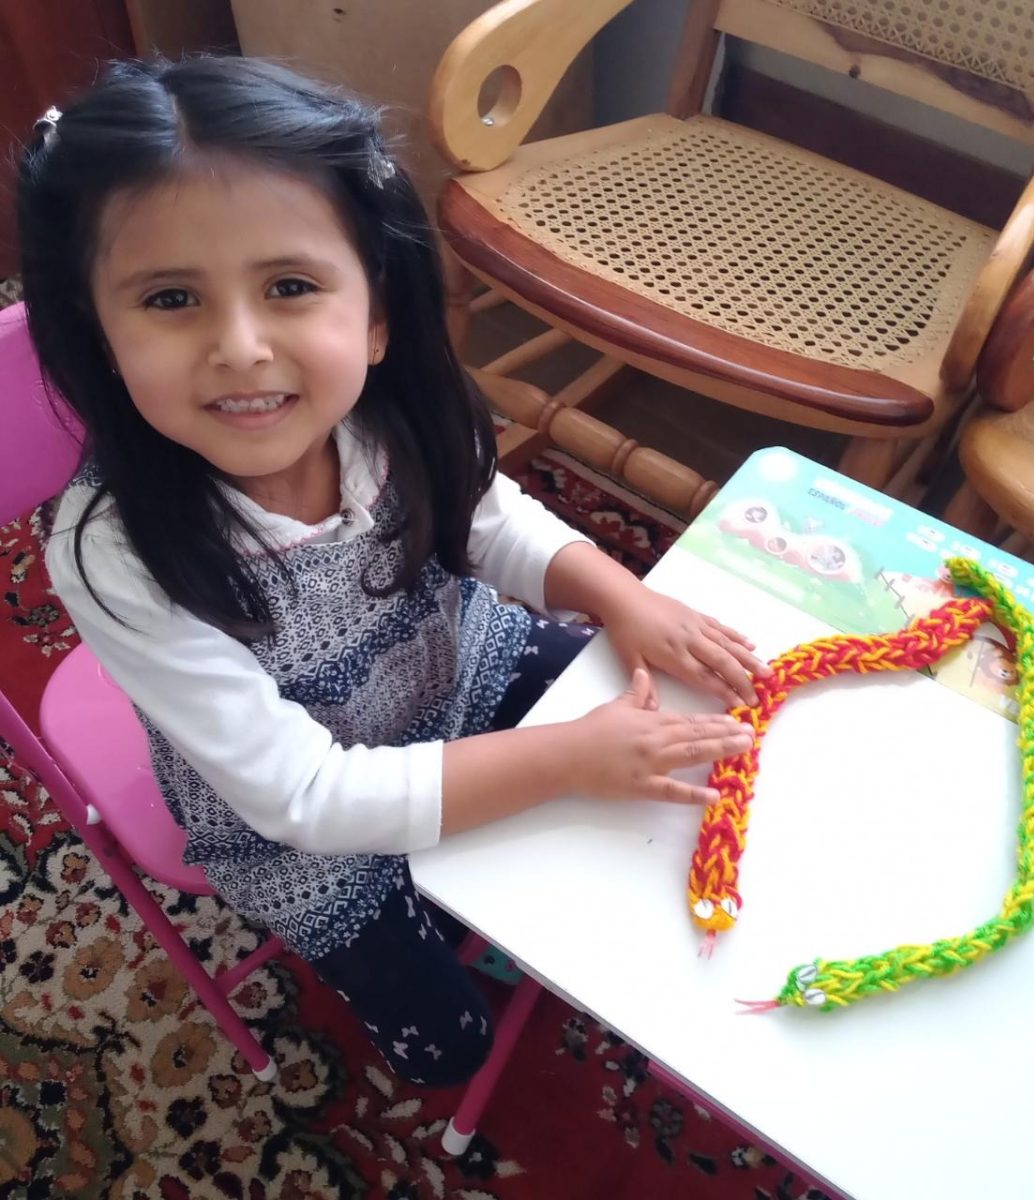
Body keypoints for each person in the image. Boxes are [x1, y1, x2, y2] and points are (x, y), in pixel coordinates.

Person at [18, 56, 766, 1086]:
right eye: (171, 298)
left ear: (374, 314)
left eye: (289, 286)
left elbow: (489, 519)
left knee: (668, 722)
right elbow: (305, 796)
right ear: (99, 336)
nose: (241, 347)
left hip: (453, 669)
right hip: (302, 834)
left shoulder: (389, 414)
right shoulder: (115, 554)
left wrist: (621, 597)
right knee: (450, 1049)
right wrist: (562, 762)